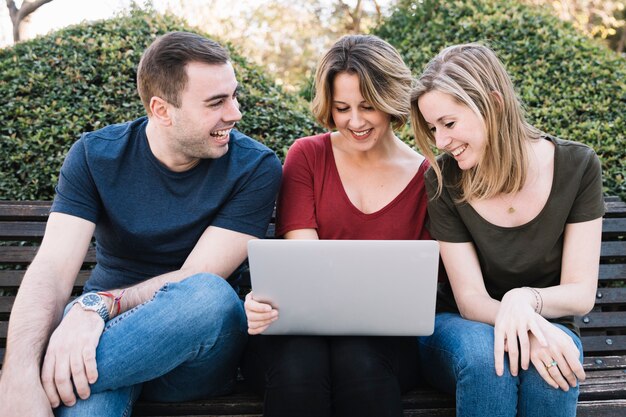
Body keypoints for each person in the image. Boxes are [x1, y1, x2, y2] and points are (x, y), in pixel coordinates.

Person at [0, 31, 282, 417]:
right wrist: (16, 373)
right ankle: (55, 377)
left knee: (209, 295)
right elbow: (50, 269)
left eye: (233, 96)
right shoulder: (95, 156)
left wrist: (96, 307)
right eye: (216, 102)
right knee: (81, 398)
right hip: (99, 340)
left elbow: (194, 278)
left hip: (195, 353)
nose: (235, 113)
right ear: (162, 110)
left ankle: (49, 379)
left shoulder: (254, 167)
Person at [410, 43, 605, 416]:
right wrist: (527, 329)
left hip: (550, 318)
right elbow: (469, 299)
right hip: (464, 324)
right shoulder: (443, 180)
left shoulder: (577, 166)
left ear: (494, 104)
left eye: (449, 124)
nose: (441, 142)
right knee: (491, 360)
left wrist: (525, 301)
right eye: (433, 128)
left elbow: (580, 293)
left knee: (551, 366)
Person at [242, 34, 430, 417]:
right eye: (342, 108)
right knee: (301, 364)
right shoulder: (308, 156)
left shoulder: (427, 177)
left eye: (368, 106)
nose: (355, 122)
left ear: (391, 100)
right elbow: (302, 268)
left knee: (359, 359)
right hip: (300, 337)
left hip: (384, 344)